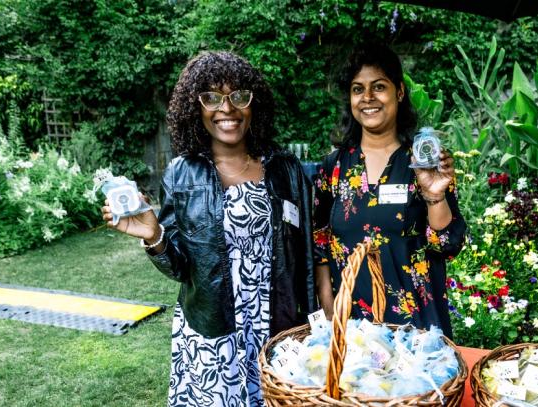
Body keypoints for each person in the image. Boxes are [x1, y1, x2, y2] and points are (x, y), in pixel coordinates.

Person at [101, 51, 316, 406]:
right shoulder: (181, 175)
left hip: (277, 327)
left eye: (238, 96)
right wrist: (154, 236)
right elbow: (183, 268)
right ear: (195, 108)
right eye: (212, 98)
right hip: (213, 333)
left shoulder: (285, 170)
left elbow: (306, 256)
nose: (226, 109)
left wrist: (311, 324)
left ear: (254, 105)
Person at [312, 43, 467, 338]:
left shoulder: (425, 163)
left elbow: (447, 245)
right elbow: (320, 244)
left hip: (417, 331)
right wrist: (329, 307)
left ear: (399, 91)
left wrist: (434, 194)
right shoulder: (333, 169)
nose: (368, 98)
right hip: (352, 329)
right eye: (358, 89)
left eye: (378, 87)